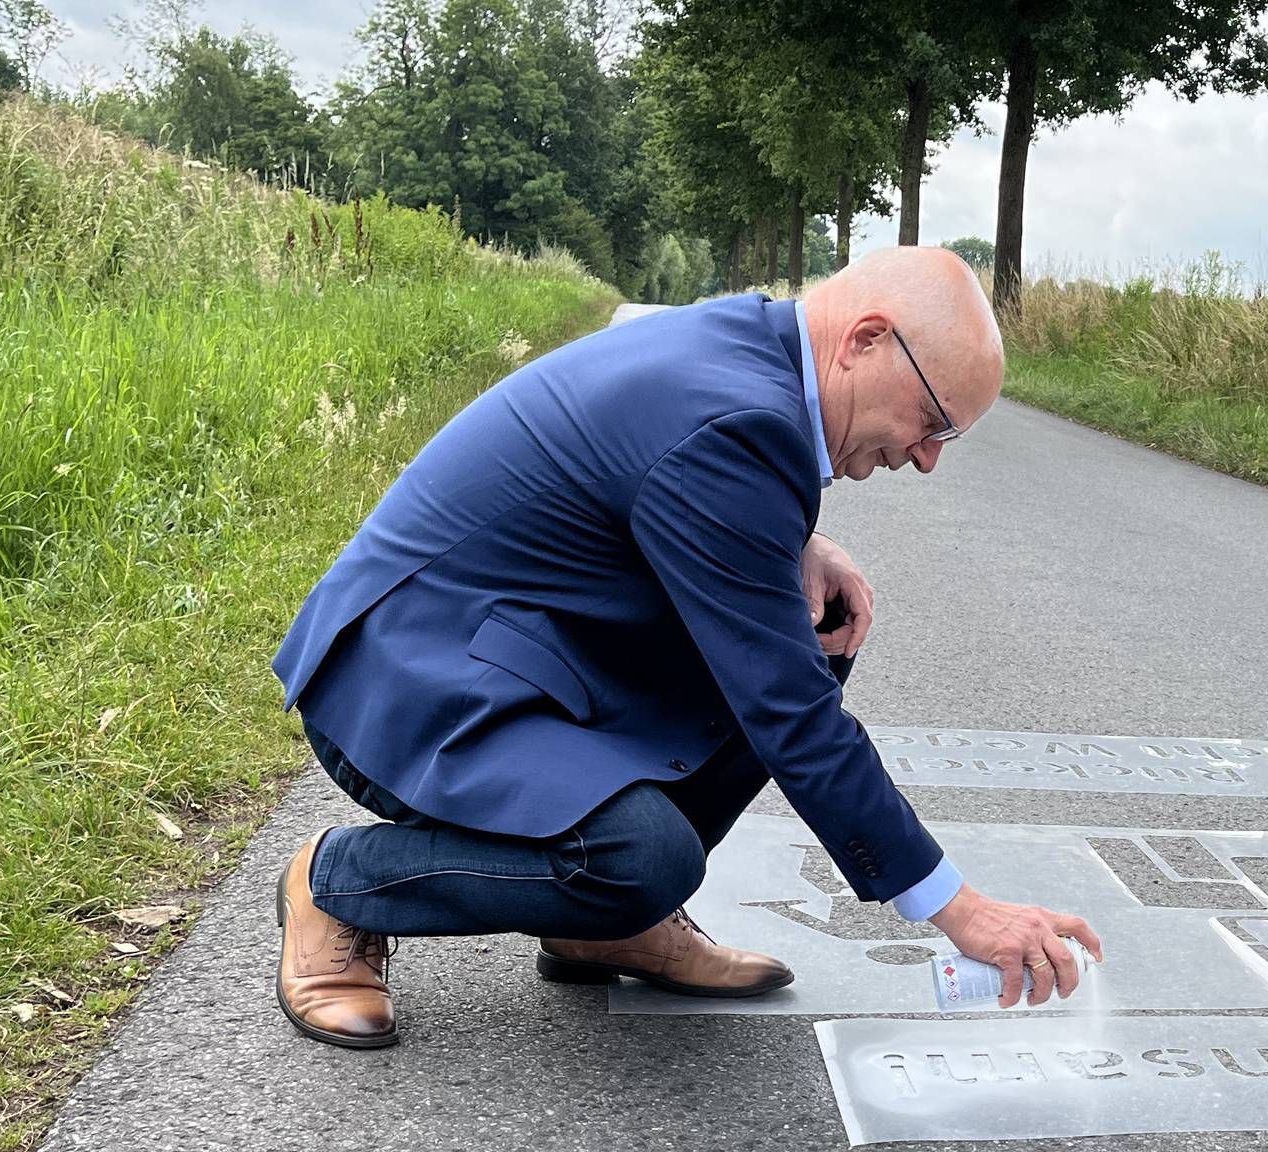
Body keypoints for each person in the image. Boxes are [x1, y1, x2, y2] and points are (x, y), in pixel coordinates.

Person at [267, 246, 1100, 1049]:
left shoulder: (753, 353)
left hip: (511, 645)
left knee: (810, 623)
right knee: (640, 856)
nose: (924, 460)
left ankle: (605, 929)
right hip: (408, 675)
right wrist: (960, 910)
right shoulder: (737, 419)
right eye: (932, 422)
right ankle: (340, 885)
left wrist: (793, 547)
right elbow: (791, 714)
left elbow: (659, 485)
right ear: (867, 339)